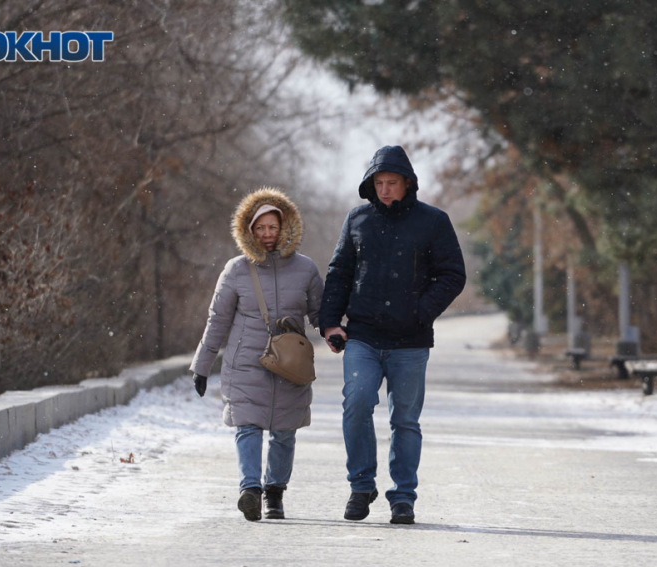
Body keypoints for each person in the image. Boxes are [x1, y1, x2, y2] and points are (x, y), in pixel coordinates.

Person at [319, 145, 466, 525]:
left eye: (392, 183)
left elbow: (452, 275)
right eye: (379, 183)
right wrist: (330, 322)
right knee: (356, 404)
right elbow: (338, 273)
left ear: (407, 183)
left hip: (411, 342)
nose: (385, 190)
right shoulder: (357, 219)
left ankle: (403, 497)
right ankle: (361, 485)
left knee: (405, 420)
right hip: (363, 336)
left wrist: (421, 312)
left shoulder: (433, 221)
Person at [190, 187, 324, 522]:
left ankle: (274, 494)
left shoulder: (305, 269)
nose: (267, 234)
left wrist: (338, 334)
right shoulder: (236, 270)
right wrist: (202, 366)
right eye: (260, 228)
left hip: (291, 364)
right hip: (246, 362)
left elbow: (322, 313)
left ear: (285, 227)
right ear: (249, 230)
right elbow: (217, 320)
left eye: (273, 227)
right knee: (247, 425)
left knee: (284, 431)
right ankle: (250, 489)